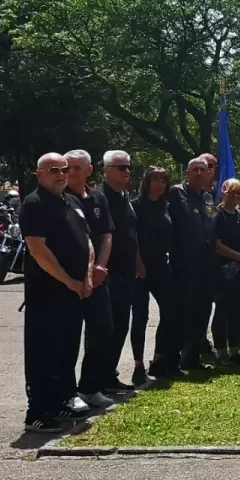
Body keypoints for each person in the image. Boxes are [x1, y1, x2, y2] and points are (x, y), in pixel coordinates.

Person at [19, 153, 94, 432]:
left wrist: (86, 276)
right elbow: (38, 249)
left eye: (64, 169)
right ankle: (37, 412)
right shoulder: (35, 203)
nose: (61, 174)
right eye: (54, 170)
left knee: (66, 352)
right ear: (39, 174)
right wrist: (67, 280)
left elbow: (87, 240)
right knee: (43, 354)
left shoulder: (71, 201)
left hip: (74, 293)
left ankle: (61, 400)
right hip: (46, 295)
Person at [65, 149, 117, 407]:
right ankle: (67, 393)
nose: (71, 173)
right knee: (69, 338)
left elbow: (107, 235)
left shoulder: (97, 198)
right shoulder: (61, 198)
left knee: (102, 331)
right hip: (70, 281)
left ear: (89, 170)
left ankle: (89, 387)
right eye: (67, 168)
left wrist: (99, 267)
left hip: (97, 278)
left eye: (77, 168)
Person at [168, 156, 216, 371]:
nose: (199, 173)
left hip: (206, 264)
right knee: (185, 311)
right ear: (187, 173)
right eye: (194, 169)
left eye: (203, 169)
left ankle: (194, 357)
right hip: (184, 265)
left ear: (209, 174)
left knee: (203, 309)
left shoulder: (207, 197)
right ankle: (177, 357)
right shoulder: (176, 194)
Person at [101, 150, 143, 388]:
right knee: (105, 329)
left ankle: (110, 374)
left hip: (127, 272)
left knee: (121, 326)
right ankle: (97, 379)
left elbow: (132, 234)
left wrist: (137, 262)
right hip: (109, 273)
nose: (127, 171)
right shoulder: (100, 198)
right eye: (121, 167)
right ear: (106, 171)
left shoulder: (126, 197)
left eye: (128, 167)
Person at [137, 167, 180, 378]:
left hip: (161, 265)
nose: (160, 185)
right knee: (140, 317)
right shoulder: (136, 206)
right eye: (156, 180)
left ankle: (158, 359)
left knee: (171, 311)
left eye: (164, 181)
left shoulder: (165, 206)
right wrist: (138, 263)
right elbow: (132, 238)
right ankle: (138, 365)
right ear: (147, 182)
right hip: (140, 267)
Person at [212, 178, 240, 366]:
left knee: (237, 310)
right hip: (223, 271)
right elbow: (217, 245)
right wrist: (239, 257)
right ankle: (221, 351)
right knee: (223, 310)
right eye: (231, 192)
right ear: (223, 193)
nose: (234, 196)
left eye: (238, 193)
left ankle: (235, 349)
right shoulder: (217, 216)